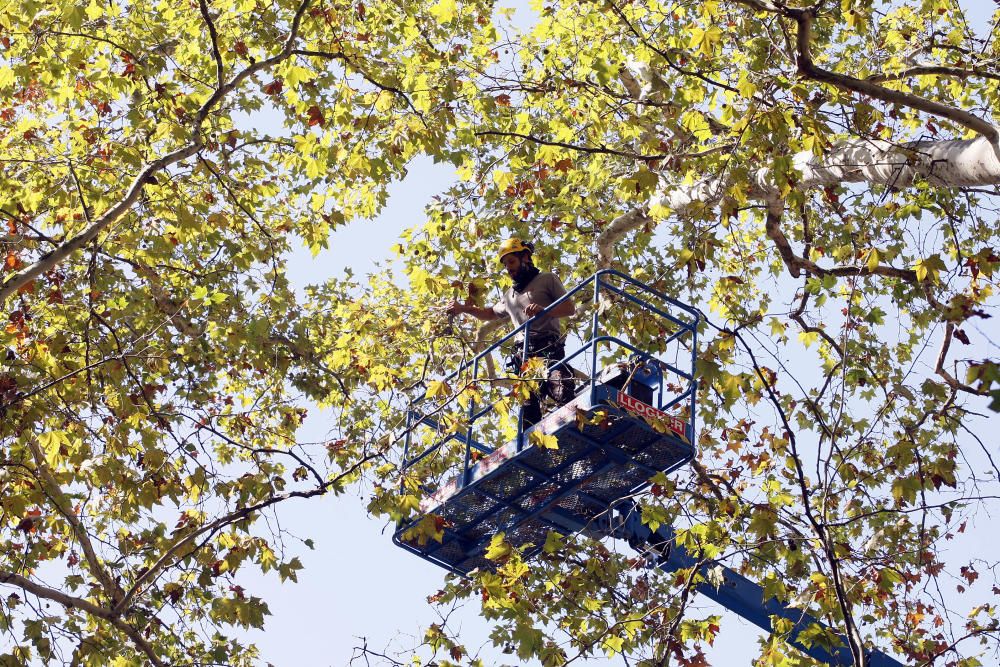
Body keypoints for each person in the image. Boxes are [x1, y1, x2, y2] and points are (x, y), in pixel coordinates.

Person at [447, 237, 576, 426]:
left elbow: (569, 309)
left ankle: (573, 424)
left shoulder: (547, 279)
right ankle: (531, 448)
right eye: (506, 265)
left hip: (548, 347)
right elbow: (490, 313)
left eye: (512, 262)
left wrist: (544, 311)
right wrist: (464, 309)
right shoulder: (510, 295)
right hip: (523, 357)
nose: (509, 268)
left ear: (525, 258)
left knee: (562, 389)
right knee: (528, 414)